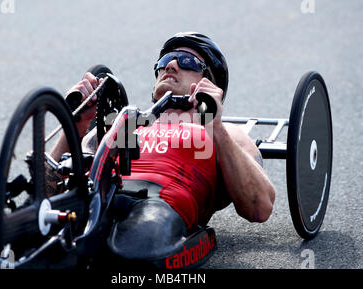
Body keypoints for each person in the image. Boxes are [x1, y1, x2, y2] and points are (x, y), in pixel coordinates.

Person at [47, 32, 276, 260]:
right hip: (98, 197)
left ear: (210, 84)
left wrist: (215, 125)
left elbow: (259, 206)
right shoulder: (128, 123)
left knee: (139, 241)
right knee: (33, 233)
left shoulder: (222, 132)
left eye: (187, 62)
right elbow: (48, 190)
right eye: (165, 61)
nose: (172, 65)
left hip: (157, 207)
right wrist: (74, 123)